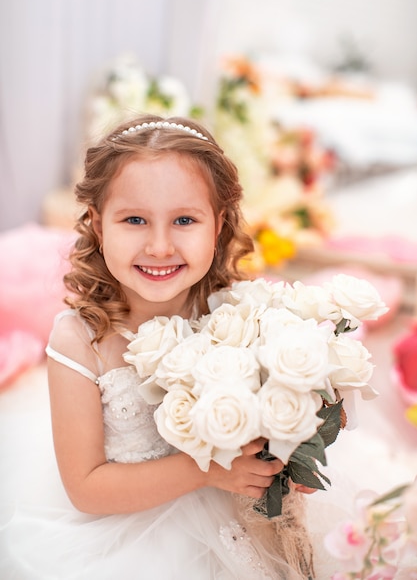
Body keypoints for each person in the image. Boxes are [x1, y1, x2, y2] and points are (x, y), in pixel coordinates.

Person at [0, 115, 325, 579]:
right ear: (97, 223)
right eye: (134, 219)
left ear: (218, 226)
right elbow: (86, 488)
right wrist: (206, 471)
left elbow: (283, 407)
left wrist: (298, 443)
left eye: (184, 220)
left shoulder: (238, 313)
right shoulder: (80, 339)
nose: (158, 245)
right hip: (129, 533)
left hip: (235, 513)